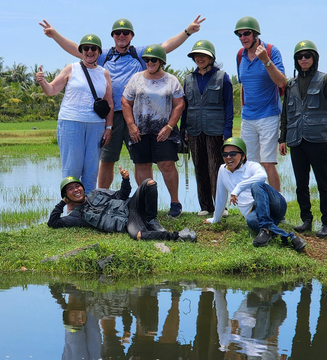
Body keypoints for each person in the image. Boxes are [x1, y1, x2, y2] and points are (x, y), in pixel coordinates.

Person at [40, 16, 206, 190]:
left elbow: (164, 47)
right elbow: (78, 50)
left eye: (125, 33)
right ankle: (103, 196)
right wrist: (55, 35)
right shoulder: (104, 54)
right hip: (111, 116)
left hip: (137, 116)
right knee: (107, 159)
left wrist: (187, 32)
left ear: (131, 36)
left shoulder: (140, 54)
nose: (121, 36)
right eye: (117, 33)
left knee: (141, 160)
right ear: (113, 36)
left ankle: (145, 198)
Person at [279, 40, 327, 238]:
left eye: (307, 56)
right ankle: (306, 220)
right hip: (296, 140)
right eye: (300, 57)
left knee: (322, 182)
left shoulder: (325, 80)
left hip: (317, 139)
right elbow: (285, 114)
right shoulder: (291, 84)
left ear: (314, 58)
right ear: (296, 60)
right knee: (301, 183)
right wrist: (282, 138)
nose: (303, 59)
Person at [35, 34, 113, 194]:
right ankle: (71, 212)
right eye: (86, 48)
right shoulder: (72, 68)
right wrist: (43, 81)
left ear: (99, 52)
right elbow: (51, 90)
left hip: (96, 125)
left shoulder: (104, 73)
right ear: (81, 51)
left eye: (93, 49)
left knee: (91, 171)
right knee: (72, 171)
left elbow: (109, 102)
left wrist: (109, 127)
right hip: (71, 123)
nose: (89, 52)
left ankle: (88, 211)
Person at [204, 137, 306, 252]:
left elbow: (262, 176)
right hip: (254, 213)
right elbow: (221, 197)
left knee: (257, 185)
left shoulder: (252, 166)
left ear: (243, 156)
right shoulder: (222, 170)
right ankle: (286, 235)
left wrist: (238, 188)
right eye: (225, 154)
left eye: (233, 154)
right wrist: (215, 219)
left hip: (275, 206)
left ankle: (265, 228)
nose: (228, 157)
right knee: (251, 221)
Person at [47, 167, 196, 242]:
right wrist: (62, 203)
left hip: (132, 206)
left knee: (149, 183)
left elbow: (121, 195)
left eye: (77, 186)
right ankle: (180, 236)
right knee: (137, 235)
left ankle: (151, 220)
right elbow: (53, 222)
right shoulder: (77, 216)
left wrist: (125, 179)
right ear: (66, 195)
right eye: (70, 189)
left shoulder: (97, 192)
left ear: (82, 187)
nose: (76, 190)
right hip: (129, 222)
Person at [121, 44, 186, 218]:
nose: (150, 62)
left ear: (161, 62)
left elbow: (179, 105)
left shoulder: (171, 80)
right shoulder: (136, 79)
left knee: (167, 165)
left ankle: (175, 202)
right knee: (142, 166)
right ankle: (147, 204)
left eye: (153, 60)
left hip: (164, 131)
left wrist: (169, 126)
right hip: (139, 131)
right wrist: (131, 125)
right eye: (147, 60)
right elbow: (125, 102)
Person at [181, 39, 234, 217]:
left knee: (216, 168)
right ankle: (205, 206)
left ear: (211, 58)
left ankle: (221, 206)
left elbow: (229, 106)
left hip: (215, 129)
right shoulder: (189, 79)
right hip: (194, 129)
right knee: (199, 168)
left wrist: (227, 131)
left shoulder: (222, 77)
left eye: (203, 55)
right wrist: (183, 131)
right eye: (197, 55)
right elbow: (184, 107)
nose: (200, 58)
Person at [234, 16, 286, 192]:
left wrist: (266, 60)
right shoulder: (240, 55)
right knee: (249, 163)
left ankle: (277, 206)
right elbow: (243, 85)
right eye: (239, 35)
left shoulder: (271, 51)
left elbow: (281, 82)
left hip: (269, 115)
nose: (243, 38)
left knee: (268, 163)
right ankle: (255, 203)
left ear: (255, 34)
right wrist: (243, 108)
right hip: (248, 118)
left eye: (246, 34)